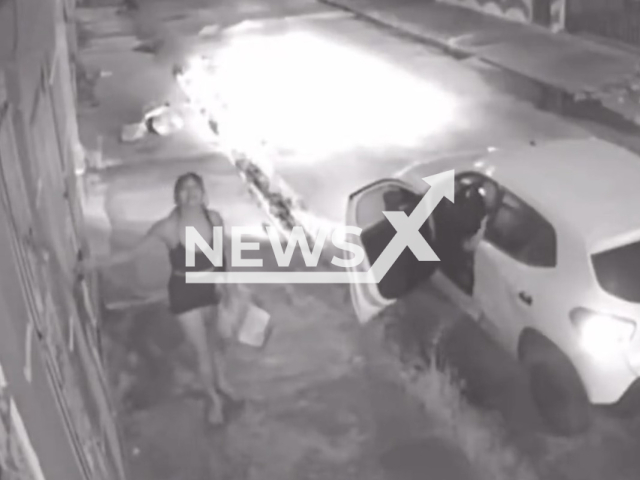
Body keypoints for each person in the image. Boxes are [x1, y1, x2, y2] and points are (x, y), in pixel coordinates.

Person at [80, 172, 237, 425]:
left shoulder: (214, 219)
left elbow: (221, 259)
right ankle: (213, 401)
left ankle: (221, 383)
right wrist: (95, 263)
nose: (190, 193)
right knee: (201, 352)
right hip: (186, 294)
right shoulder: (168, 227)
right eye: (184, 189)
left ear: (204, 195)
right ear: (176, 197)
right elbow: (132, 254)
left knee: (215, 343)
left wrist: (229, 291)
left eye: (195, 188)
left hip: (211, 288)